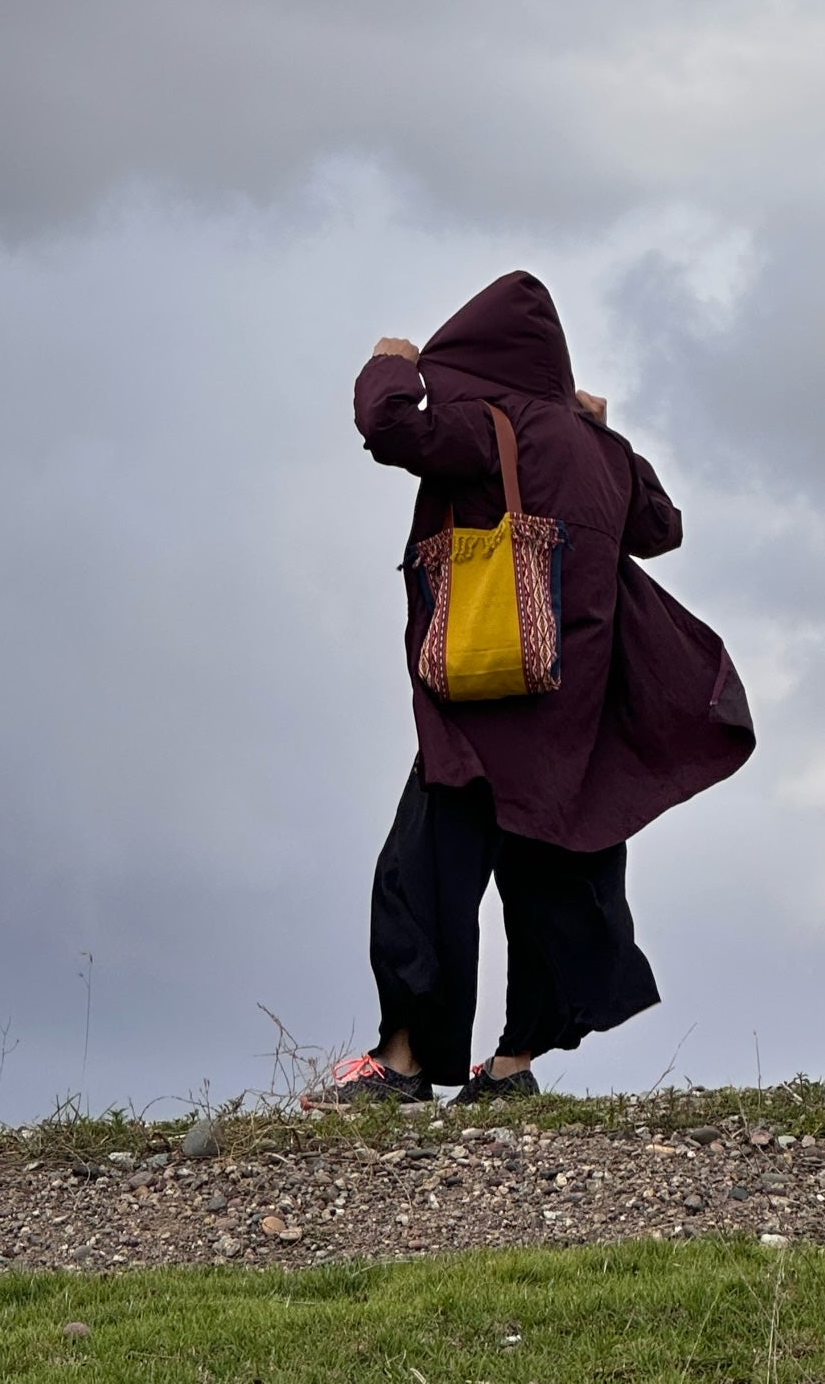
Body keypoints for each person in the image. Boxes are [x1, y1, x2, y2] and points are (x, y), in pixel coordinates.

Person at [313, 270, 754, 1107]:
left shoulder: (486, 427)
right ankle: (512, 1069)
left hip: (485, 703)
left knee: (423, 872)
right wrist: (600, 430)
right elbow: (662, 527)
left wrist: (391, 362)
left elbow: (386, 424)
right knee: (556, 879)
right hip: (572, 718)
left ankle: (403, 1065)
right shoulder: (600, 452)